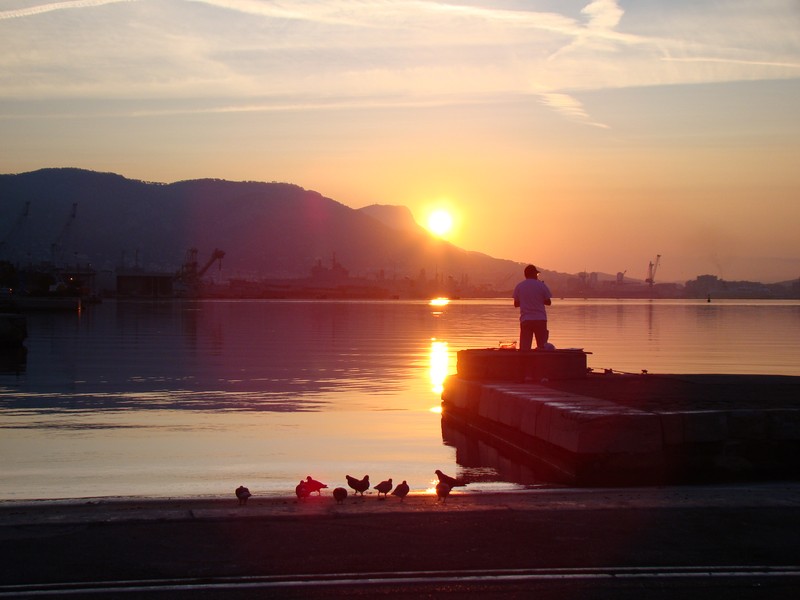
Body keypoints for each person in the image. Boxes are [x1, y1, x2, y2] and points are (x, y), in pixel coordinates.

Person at [513, 264, 552, 351]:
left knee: (525, 348)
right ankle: (542, 363)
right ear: (534, 274)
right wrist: (538, 299)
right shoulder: (541, 285)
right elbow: (548, 302)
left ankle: (524, 363)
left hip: (526, 320)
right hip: (540, 320)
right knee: (542, 347)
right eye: (537, 274)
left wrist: (525, 300)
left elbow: (516, 304)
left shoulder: (519, 286)